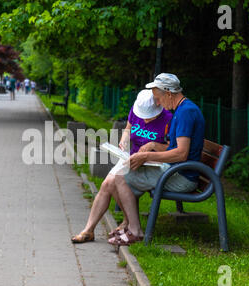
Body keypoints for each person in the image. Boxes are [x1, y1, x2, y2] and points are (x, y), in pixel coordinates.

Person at [108, 73, 205, 246]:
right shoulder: (182, 110)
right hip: (176, 170)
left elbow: (181, 154)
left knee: (121, 177)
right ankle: (130, 226)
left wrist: (147, 156)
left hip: (183, 177)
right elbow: (174, 149)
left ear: (169, 94)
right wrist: (149, 154)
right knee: (123, 174)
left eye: (158, 98)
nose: (157, 103)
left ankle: (135, 231)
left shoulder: (185, 113)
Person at [71, 89, 173, 243]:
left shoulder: (168, 118)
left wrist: (153, 145)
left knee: (113, 181)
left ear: (158, 106)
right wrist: (124, 139)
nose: (144, 121)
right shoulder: (137, 109)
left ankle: (127, 225)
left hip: (152, 162)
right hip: (131, 157)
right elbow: (128, 128)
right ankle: (90, 230)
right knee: (107, 183)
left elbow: (172, 148)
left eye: (149, 117)